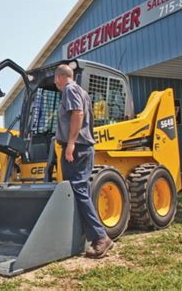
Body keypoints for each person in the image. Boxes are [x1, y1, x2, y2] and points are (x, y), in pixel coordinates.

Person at [54, 64, 114, 259]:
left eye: (56, 79)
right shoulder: (81, 91)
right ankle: (89, 235)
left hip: (77, 148)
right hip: (83, 147)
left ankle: (100, 237)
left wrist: (70, 143)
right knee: (83, 191)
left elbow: (77, 114)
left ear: (60, 77)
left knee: (78, 190)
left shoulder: (69, 89)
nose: (55, 82)